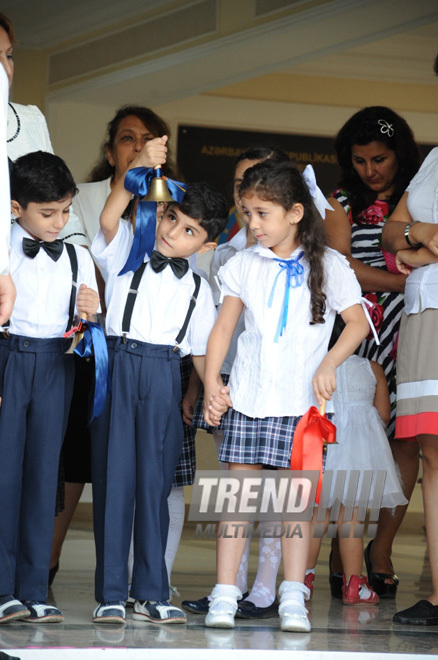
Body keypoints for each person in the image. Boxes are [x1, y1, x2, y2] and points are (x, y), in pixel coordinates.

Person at [202, 160, 369, 632]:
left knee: (295, 506)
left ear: (295, 213)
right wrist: (215, 382)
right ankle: (225, 595)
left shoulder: (331, 265)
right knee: (237, 500)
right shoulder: (242, 265)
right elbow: (223, 329)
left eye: (262, 214)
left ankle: (292, 596)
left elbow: (356, 323)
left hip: (302, 406)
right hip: (250, 398)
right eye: (247, 212)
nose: (252, 224)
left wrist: (329, 363)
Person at [89, 136, 228, 625]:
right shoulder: (128, 249)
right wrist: (141, 169)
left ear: (206, 245)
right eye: (171, 218)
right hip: (119, 367)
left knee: (155, 484)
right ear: (161, 212)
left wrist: (211, 390)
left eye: (189, 231)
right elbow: (109, 217)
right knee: (113, 481)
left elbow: (200, 351)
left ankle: (151, 590)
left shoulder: (198, 289)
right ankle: (110, 591)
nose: (173, 233)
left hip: (166, 376)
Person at [183, 146, 290, 619]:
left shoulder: (297, 253)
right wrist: (201, 384)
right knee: (237, 485)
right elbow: (209, 331)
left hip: (283, 385)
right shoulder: (225, 253)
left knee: (276, 489)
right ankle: (232, 584)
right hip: (230, 381)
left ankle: (266, 587)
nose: (246, 199)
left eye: (257, 184)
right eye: (238, 186)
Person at [325, 106, 421, 598]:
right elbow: (339, 267)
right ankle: (345, 543)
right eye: (360, 160)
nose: (371, 170)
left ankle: (379, 549)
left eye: (380, 159)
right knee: (348, 442)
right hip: (356, 329)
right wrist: (404, 280)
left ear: (399, 154)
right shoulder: (339, 199)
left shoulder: (422, 194)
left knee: (405, 440)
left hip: (416, 329)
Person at [0, 151, 99, 624]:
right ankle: (1, 588)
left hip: (56, 365)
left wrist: (88, 314)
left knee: (44, 477)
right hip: (9, 360)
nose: (60, 222)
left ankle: (35, 586)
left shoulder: (77, 255)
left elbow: (86, 326)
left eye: (66, 210)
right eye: (48, 212)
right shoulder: (2, 248)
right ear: (16, 208)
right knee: (4, 476)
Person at [381, 56, 438, 625]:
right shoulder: (436, 160)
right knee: (431, 455)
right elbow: (392, 231)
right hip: (424, 314)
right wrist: (422, 237)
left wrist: (416, 244)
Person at [306, 316, 407, 604]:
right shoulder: (372, 368)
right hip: (361, 452)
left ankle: (303, 580)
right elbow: (384, 415)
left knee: (317, 517)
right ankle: (354, 585)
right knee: (351, 520)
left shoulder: (314, 369)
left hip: (325, 446)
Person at [0, 12, 86, 247]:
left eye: (9, 56)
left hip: (39, 264)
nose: (6, 69)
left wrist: (83, 264)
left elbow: (58, 194)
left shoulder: (30, 119)